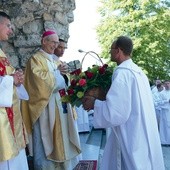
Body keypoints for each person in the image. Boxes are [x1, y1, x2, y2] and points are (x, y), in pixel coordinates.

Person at [82, 36, 165, 170]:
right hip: (143, 128)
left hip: (130, 132)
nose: (110, 52)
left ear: (118, 51)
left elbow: (116, 113)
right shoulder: (139, 72)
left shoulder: (122, 73)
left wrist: (94, 103)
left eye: (111, 49)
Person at [21, 30, 81, 170]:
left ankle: (65, 166)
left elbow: (63, 80)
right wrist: (57, 73)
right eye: (52, 42)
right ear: (44, 41)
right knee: (47, 140)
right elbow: (39, 83)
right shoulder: (35, 60)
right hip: (46, 109)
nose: (55, 45)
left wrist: (66, 75)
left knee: (64, 139)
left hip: (61, 106)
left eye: (56, 42)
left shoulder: (55, 60)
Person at [0, 11, 29, 170]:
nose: (11, 30)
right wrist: (11, 80)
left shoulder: (2, 53)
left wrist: (16, 80)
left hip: (10, 114)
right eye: (8, 25)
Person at [158, 80, 170, 145]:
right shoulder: (161, 93)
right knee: (165, 127)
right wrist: (167, 101)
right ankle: (164, 141)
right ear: (164, 85)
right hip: (164, 112)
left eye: (168, 83)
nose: (167, 85)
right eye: (166, 84)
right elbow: (158, 103)